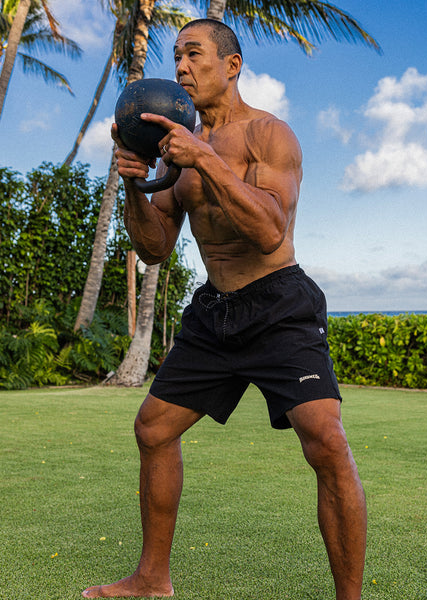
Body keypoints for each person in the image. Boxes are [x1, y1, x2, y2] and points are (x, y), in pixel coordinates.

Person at [82, 18, 367, 600]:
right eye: (177, 56)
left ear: (232, 66)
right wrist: (139, 184)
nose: (182, 67)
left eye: (195, 54)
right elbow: (155, 247)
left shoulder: (269, 135)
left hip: (279, 301)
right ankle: (152, 579)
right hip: (216, 309)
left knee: (326, 439)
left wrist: (204, 159)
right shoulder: (175, 151)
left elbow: (268, 230)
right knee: (154, 428)